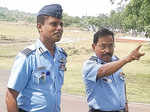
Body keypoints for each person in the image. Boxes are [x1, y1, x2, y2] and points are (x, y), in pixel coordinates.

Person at [5, 4, 67, 112]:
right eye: (54, 24)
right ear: (39, 27)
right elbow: (10, 96)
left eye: (61, 24)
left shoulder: (61, 55)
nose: (59, 28)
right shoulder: (28, 57)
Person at [82, 28, 145, 112]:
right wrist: (127, 58)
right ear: (94, 47)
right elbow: (103, 71)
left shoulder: (116, 61)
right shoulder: (89, 65)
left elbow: (121, 84)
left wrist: (125, 104)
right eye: (103, 46)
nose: (107, 50)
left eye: (110, 45)